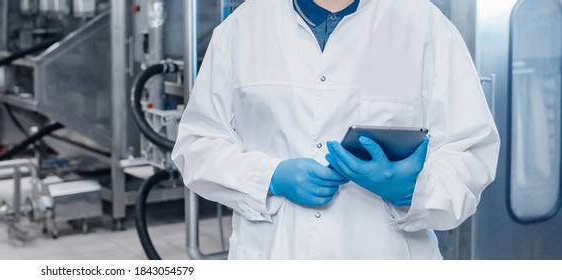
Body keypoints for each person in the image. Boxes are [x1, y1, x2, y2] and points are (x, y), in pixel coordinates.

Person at [171, 0, 500, 259]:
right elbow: (197, 145)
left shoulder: (426, 26)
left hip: (386, 255)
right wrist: (268, 176)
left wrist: (412, 191)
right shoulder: (241, 29)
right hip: (275, 254)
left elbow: (470, 153)